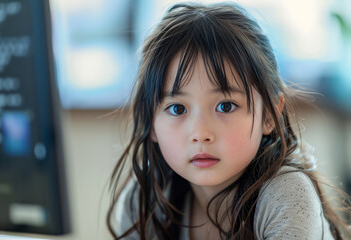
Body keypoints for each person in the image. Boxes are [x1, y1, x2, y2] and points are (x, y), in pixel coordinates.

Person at [107, 2, 351, 239]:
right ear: (150, 120)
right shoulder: (145, 199)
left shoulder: (286, 195)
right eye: (178, 108)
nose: (201, 133)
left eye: (225, 106)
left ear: (269, 115)